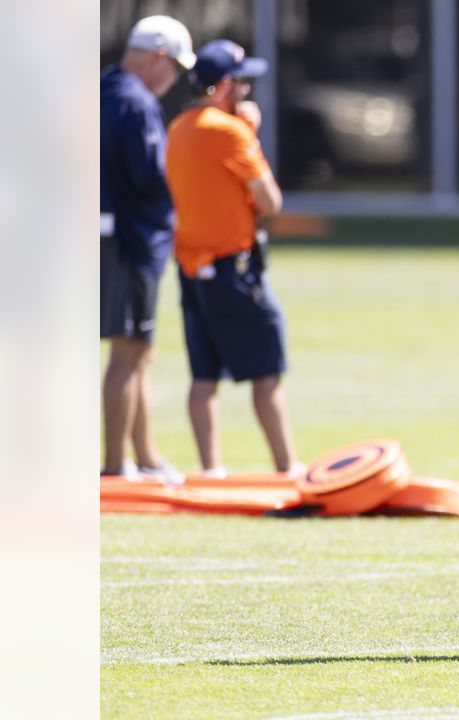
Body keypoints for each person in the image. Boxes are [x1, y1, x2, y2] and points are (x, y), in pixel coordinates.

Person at [165, 40, 302, 478]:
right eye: (241, 82)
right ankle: (285, 467)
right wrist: (250, 135)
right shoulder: (229, 131)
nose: (246, 91)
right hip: (231, 266)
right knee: (266, 370)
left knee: (204, 376)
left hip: (191, 266)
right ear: (223, 85)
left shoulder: (179, 127)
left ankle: (211, 469)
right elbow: (270, 201)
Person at [100, 15, 197, 480]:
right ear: (158, 56)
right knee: (128, 354)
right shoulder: (134, 102)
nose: (174, 78)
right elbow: (152, 179)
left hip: (113, 235)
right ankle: (117, 465)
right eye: (174, 67)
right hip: (129, 241)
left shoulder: (102, 89)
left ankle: (146, 456)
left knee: (139, 351)